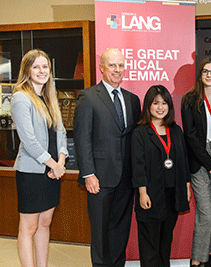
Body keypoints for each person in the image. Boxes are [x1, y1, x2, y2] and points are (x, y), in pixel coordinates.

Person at [73, 48, 141, 267]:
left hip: (126, 179)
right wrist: (88, 174)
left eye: (120, 65)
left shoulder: (133, 100)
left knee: (120, 230)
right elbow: (82, 138)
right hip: (99, 179)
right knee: (101, 232)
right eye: (112, 65)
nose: (117, 70)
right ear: (101, 67)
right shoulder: (88, 97)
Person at [11, 49, 68, 267]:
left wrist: (61, 162)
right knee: (29, 227)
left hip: (53, 171)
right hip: (32, 172)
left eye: (45, 66)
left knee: (45, 223)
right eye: (36, 66)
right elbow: (29, 140)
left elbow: (61, 132)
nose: (41, 71)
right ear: (27, 70)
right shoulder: (20, 97)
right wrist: (54, 164)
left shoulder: (49, 97)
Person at [131, 85, 191, 267]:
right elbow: (137, 165)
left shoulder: (176, 131)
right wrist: (142, 192)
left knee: (165, 243)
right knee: (150, 244)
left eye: (164, 103)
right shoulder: (140, 133)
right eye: (155, 103)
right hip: (150, 194)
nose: (160, 107)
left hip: (172, 195)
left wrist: (187, 187)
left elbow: (183, 161)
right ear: (148, 105)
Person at [181, 58, 211, 267]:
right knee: (206, 214)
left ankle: (210, 255)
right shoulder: (190, 100)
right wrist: (210, 163)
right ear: (200, 75)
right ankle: (197, 259)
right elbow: (190, 136)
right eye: (205, 72)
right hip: (201, 161)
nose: (209, 75)